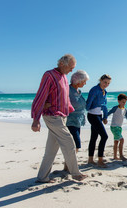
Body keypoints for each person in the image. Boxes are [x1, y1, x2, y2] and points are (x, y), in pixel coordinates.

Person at [31, 54, 87, 183]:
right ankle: (75, 173)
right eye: (71, 67)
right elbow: (40, 96)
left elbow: (65, 98)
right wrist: (36, 119)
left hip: (62, 116)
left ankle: (42, 177)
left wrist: (70, 111)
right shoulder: (49, 75)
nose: (72, 70)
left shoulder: (64, 77)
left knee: (51, 150)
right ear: (62, 63)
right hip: (52, 116)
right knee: (69, 143)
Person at [63, 70, 89, 171]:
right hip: (70, 121)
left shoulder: (78, 92)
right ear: (78, 80)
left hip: (78, 121)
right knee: (76, 144)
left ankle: (67, 166)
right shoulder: (68, 90)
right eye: (84, 81)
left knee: (74, 145)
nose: (85, 83)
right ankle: (69, 166)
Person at [86, 74, 111, 168]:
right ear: (100, 80)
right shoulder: (94, 90)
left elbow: (105, 106)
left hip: (99, 116)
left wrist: (105, 117)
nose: (106, 84)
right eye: (105, 82)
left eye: (108, 83)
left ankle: (90, 160)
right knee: (104, 136)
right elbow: (88, 103)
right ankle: (100, 160)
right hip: (92, 116)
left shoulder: (105, 92)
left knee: (94, 137)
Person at [107, 93, 127, 161]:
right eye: (122, 102)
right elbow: (108, 113)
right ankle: (121, 156)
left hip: (119, 128)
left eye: (125, 102)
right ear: (118, 101)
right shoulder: (115, 108)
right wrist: (103, 119)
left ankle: (115, 156)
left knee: (116, 141)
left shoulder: (125, 110)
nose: (124, 103)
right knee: (122, 140)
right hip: (114, 127)